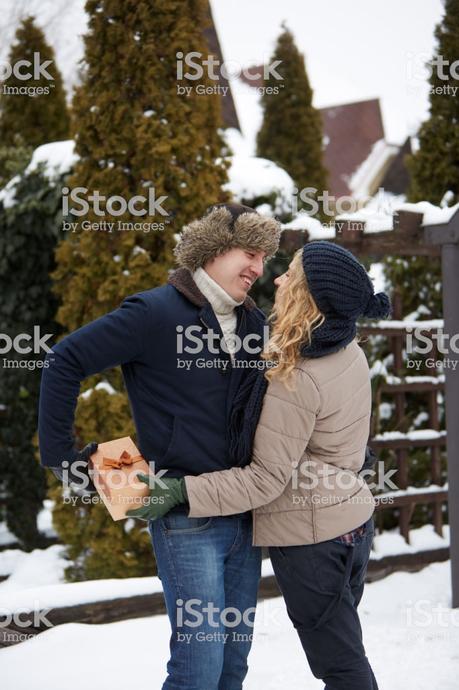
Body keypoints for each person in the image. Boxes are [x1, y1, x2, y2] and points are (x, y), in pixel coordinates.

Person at [38, 202, 281, 690]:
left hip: (246, 515)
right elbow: (64, 359)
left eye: (264, 257)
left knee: (233, 667)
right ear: (213, 249)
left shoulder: (255, 324)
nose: (258, 268)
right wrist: (64, 456)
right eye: (249, 253)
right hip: (184, 519)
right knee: (198, 670)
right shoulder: (154, 313)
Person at [128, 241, 391, 690]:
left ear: (309, 296)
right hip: (353, 525)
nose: (279, 280)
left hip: (314, 541)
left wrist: (181, 492)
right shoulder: (348, 349)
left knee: (342, 667)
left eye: (292, 274)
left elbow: (265, 480)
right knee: (344, 652)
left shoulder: (299, 375)